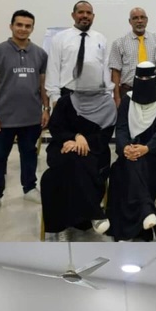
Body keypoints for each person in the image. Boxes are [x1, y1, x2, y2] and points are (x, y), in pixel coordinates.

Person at [0, 9, 49, 217]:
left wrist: (46, 109)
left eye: (28, 26)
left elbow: (43, 85)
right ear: (11, 26)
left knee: (29, 155)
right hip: (3, 119)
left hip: (31, 118)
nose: (23, 29)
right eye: (19, 25)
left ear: (32, 28)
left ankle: (29, 188)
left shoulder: (40, 54)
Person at [40, 61, 117, 241]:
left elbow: (104, 137)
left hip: (94, 152)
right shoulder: (66, 102)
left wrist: (83, 141)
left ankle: (65, 222)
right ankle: (94, 213)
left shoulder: (108, 104)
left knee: (51, 177)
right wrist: (74, 137)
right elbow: (56, 128)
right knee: (72, 159)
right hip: (63, 148)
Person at [108, 62, 156, 241]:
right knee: (124, 169)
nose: (144, 81)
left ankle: (129, 229)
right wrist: (125, 148)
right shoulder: (128, 100)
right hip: (130, 151)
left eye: (148, 78)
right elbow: (121, 128)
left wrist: (147, 148)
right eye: (141, 78)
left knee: (136, 167)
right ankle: (146, 212)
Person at [45, 0, 111, 105]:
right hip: (67, 94)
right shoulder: (59, 38)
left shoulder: (101, 39)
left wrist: (108, 94)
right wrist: (54, 97)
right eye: (81, 12)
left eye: (88, 13)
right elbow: (53, 69)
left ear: (93, 16)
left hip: (95, 95)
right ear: (73, 15)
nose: (85, 15)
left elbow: (105, 69)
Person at [109, 7, 156, 104]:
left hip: (152, 90)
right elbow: (115, 72)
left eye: (142, 17)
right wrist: (117, 97)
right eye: (135, 18)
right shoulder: (119, 43)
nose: (139, 21)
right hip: (128, 91)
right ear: (130, 21)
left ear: (146, 20)